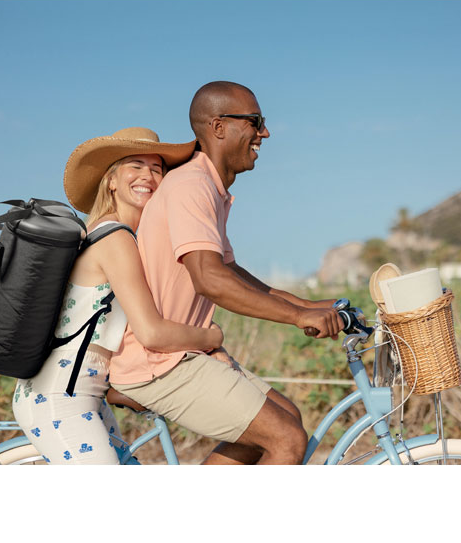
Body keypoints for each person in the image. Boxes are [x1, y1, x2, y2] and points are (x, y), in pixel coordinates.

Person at [109, 82, 343, 464]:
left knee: (288, 417)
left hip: (183, 353)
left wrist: (308, 304)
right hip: (159, 362)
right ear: (219, 127)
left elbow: (230, 271)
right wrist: (297, 317)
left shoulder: (208, 187)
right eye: (256, 122)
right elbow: (210, 279)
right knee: (286, 439)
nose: (265, 133)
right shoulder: (191, 185)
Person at [12, 127, 224, 464]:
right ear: (111, 180)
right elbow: (151, 332)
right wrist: (212, 338)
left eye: (157, 169)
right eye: (135, 166)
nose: (148, 176)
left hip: (87, 393)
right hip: (59, 395)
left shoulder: (126, 239)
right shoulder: (115, 239)